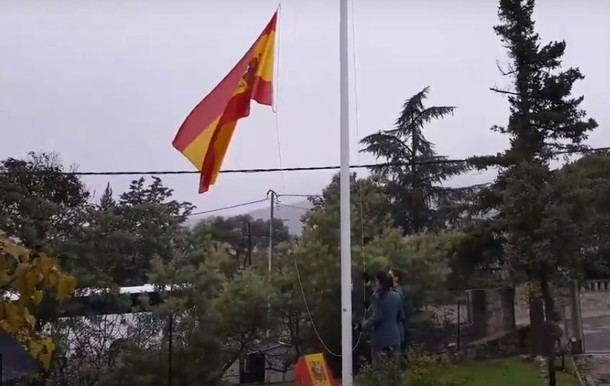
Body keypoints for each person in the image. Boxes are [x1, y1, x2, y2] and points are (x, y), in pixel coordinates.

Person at [363, 271, 404, 364]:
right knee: (394, 369)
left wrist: (363, 327)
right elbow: (401, 316)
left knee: (380, 370)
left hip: (380, 339)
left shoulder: (378, 297)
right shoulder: (397, 296)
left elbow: (377, 317)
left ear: (378, 282)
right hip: (394, 338)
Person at [389, 268, 409, 355]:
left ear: (396, 278)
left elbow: (399, 314)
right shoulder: (389, 291)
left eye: (390, 275)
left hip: (394, 331)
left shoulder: (397, 293)